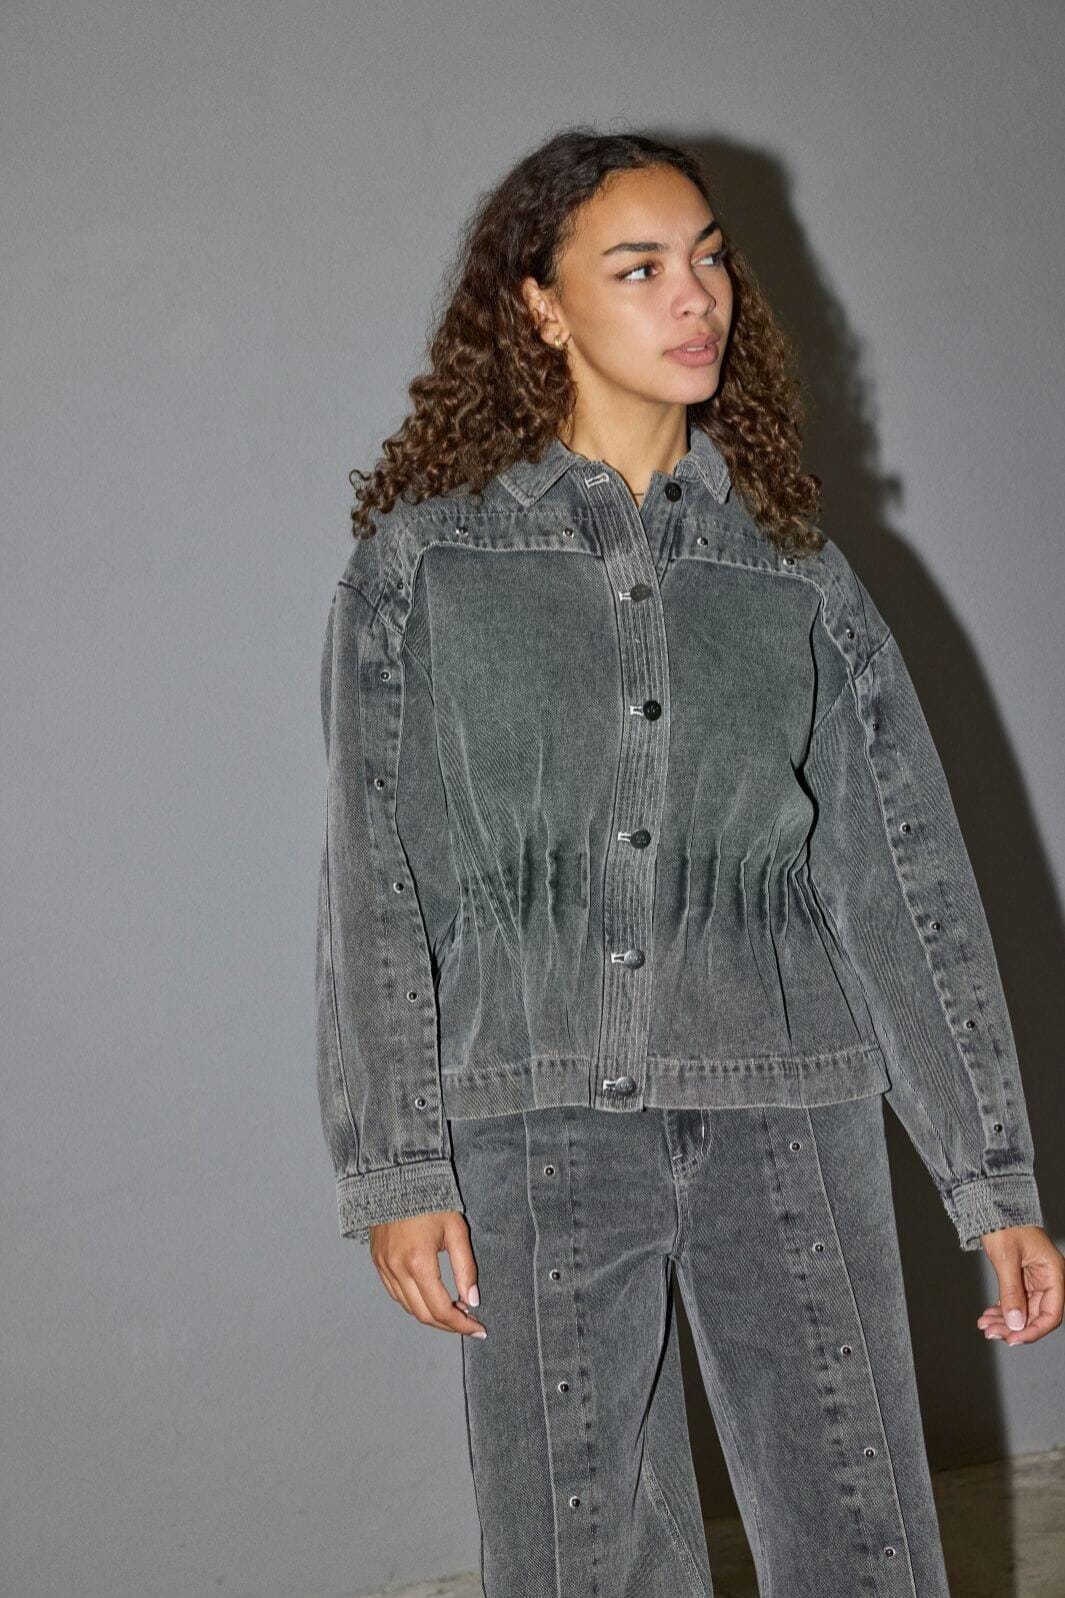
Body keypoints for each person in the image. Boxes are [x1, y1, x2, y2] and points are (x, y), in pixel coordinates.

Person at [314, 126, 1063, 1596]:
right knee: (577, 1560)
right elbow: (377, 885)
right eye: (640, 267)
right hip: (535, 1125)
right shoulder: (425, 568)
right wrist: (395, 1163)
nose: (695, 295)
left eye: (709, 258)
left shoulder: (793, 572)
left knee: (860, 1543)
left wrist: (992, 1181)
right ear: (540, 305)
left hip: (788, 1118)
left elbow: (903, 879)